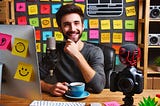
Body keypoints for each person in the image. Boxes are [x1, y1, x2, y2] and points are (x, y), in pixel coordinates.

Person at [40, 4, 106, 97]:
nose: (72, 29)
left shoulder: (95, 52)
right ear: (60, 29)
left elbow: (98, 86)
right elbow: (32, 79)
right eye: (66, 24)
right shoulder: (54, 51)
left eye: (76, 23)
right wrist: (49, 88)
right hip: (62, 101)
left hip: (89, 100)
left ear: (83, 26)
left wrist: (76, 55)